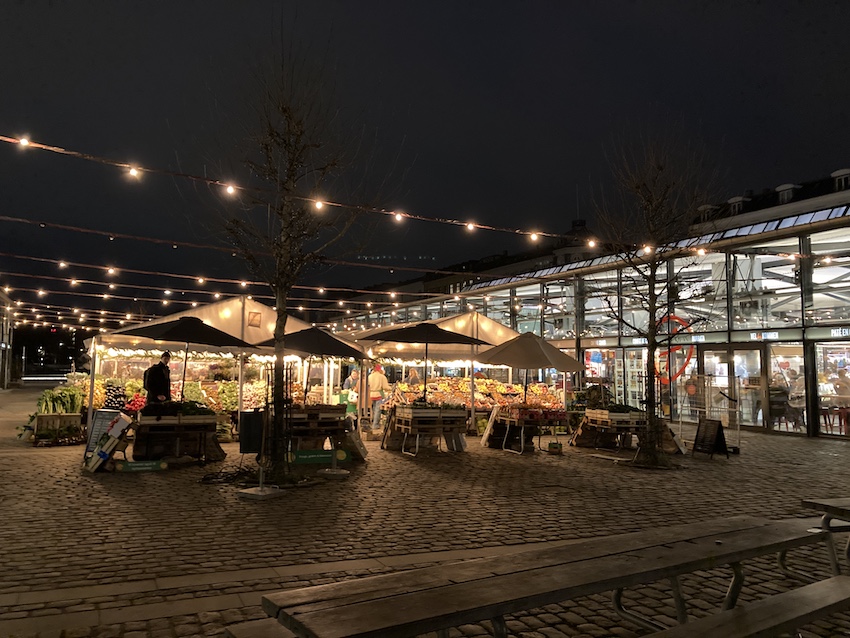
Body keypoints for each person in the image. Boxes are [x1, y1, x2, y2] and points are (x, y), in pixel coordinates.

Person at [368, 364, 391, 430]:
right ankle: (375, 424)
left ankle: (374, 422)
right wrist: (391, 388)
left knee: (374, 409)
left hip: (371, 394)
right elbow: (385, 387)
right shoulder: (382, 377)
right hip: (378, 394)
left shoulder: (369, 376)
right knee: (378, 410)